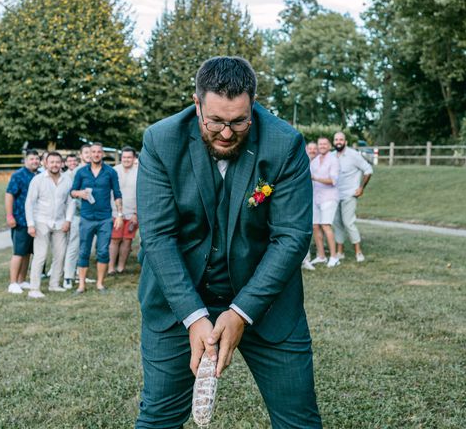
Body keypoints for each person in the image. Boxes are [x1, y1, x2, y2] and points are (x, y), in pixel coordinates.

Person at [135, 56, 321, 428]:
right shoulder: (161, 140)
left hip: (265, 304)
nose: (225, 133)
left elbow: (291, 237)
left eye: (238, 121)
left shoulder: (284, 144)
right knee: (158, 420)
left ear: (252, 105)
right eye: (215, 121)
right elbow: (158, 236)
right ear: (196, 103)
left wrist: (241, 312)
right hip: (178, 301)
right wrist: (192, 315)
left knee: (299, 421)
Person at [71, 142, 124, 293]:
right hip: (86, 218)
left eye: (98, 152)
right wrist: (79, 193)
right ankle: (81, 285)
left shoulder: (110, 172)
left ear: (102, 154)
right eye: (93, 152)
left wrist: (119, 215)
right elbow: (72, 191)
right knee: (83, 251)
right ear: (89, 154)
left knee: (103, 251)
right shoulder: (81, 172)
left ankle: (100, 283)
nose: (95, 154)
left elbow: (117, 194)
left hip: (104, 219)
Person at [24, 152, 75, 298]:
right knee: (40, 255)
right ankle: (34, 289)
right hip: (41, 221)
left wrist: (68, 220)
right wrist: (30, 224)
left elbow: (71, 202)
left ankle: (54, 285)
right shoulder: (38, 180)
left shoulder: (67, 179)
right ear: (45, 163)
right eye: (51, 162)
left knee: (60, 255)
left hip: (60, 222)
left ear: (62, 163)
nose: (55, 165)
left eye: (57, 162)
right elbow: (29, 203)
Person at [332, 132, 373, 262]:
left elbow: (368, 170)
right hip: (334, 195)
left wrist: (361, 188)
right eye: (336, 139)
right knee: (337, 223)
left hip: (349, 194)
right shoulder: (331, 156)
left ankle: (358, 252)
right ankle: (340, 252)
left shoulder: (353, 155)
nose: (339, 141)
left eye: (341, 139)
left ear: (345, 142)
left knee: (348, 222)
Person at [5, 150, 40, 294]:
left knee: (28, 252)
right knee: (19, 252)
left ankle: (22, 280)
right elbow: (9, 195)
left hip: (35, 220)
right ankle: (12, 283)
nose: (34, 161)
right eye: (32, 159)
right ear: (26, 160)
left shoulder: (39, 175)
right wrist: (9, 216)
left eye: (37, 159)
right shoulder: (18, 176)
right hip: (20, 219)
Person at [309, 137, 341, 268]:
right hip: (315, 197)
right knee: (315, 226)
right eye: (320, 144)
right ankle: (321, 256)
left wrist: (315, 178)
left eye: (324, 144)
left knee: (326, 225)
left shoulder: (333, 160)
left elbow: (333, 180)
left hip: (329, 197)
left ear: (329, 146)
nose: (322, 146)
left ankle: (334, 257)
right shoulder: (315, 161)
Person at [107, 146, 138, 275]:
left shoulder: (139, 172)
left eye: (129, 157)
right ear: (121, 158)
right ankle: (110, 267)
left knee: (127, 240)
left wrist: (136, 213)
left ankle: (121, 266)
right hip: (115, 211)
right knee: (115, 239)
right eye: (124, 157)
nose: (126, 159)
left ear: (134, 158)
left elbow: (141, 193)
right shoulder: (114, 171)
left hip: (132, 213)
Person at [62, 152, 82, 289]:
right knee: (71, 245)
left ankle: (80, 273)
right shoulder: (66, 176)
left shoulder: (85, 171)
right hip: (73, 215)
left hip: (89, 215)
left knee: (84, 247)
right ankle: (68, 275)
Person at [302, 142, 318, 271]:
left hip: (313, 200)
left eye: (314, 148)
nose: (312, 151)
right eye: (310, 148)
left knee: (307, 229)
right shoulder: (303, 159)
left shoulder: (319, 162)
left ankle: (306, 259)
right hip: (302, 199)